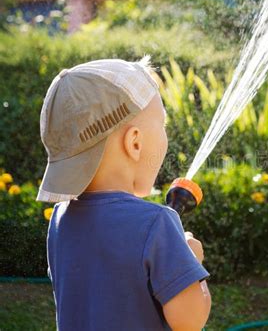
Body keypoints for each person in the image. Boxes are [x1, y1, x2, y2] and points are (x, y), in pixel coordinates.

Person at [36, 56, 211, 330]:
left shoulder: (61, 220)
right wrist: (192, 264)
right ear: (135, 142)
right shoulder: (157, 223)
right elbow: (189, 321)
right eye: (162, 126)